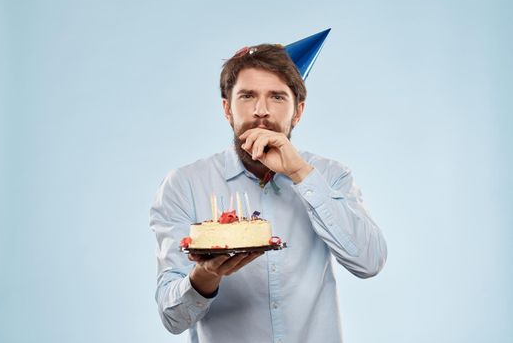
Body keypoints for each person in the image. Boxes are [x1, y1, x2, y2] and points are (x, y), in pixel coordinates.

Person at [150, 31, 387, 343]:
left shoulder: (331, 175)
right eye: (247, 96)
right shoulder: (184, 185)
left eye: (277, 97)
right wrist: (206, 275)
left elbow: (369, 262)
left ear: (298, 111)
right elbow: (173, 318)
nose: (261, 110)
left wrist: (301, 173)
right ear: (227, 109)